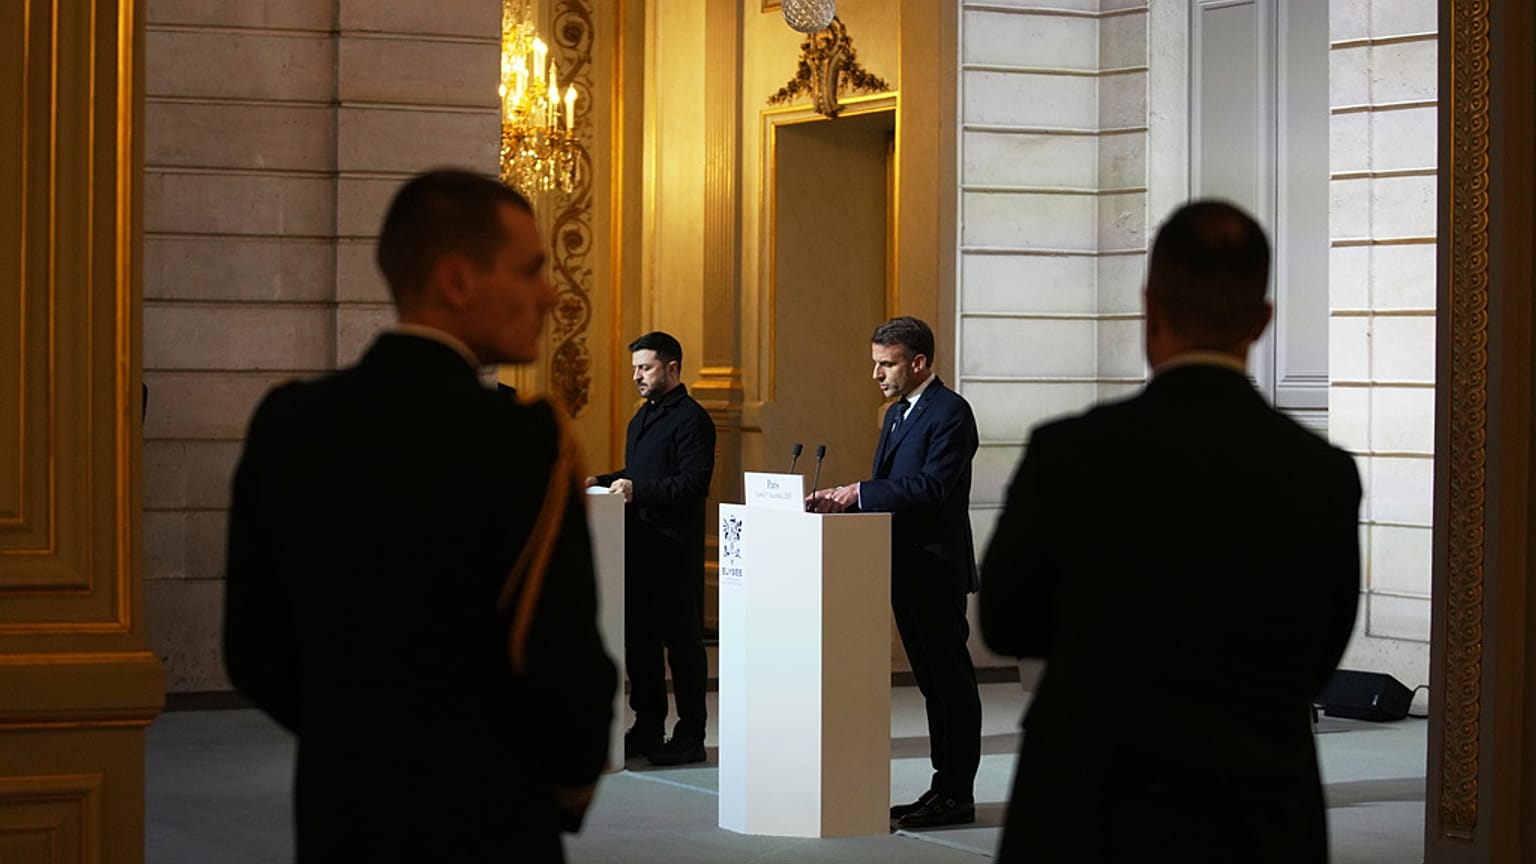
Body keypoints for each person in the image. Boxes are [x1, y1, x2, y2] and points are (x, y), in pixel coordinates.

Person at [223, 169, 617, 863]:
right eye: (530, 270)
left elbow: (254, 649)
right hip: (490, 821)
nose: (551, 295)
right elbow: (562, 661)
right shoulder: (521, 441)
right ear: (456, 280)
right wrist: (559, 784)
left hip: (342, 816)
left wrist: (357, 741)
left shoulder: (290, 421)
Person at [979, 200, 1362, 863]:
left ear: (1149, 310)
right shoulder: (1322, 472)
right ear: (1262, 320)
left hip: (1089, 801)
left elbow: (1006, 621)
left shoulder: (1070, 452)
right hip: (1258, 811)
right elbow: (1320, 651)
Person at [806, 316, 983, 829]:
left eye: (887, 364)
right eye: (876, 363)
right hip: (902, 565)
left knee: (950, 683)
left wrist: (857, 493)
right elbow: (892, 485)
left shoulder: (951, 412)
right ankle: (941, 787)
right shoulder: (897, 414)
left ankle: (957, 792)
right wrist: (845, 497)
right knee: (931, 683)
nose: (877, 374)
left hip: (935, 567)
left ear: (919, 362)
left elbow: (931, 486)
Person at [585, 332, 717, 766]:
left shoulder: (693, 419)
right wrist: (603, 481)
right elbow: (638, 471)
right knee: (640, 645)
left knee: (682, 646)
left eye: (645, 368)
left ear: (671, 368)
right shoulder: (642, 417)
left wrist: (637, 490)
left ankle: (691, 734)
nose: (637, 377)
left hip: (674, 552)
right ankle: (647, 726)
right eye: (635, 369)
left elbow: (693, 482)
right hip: (639, 548)